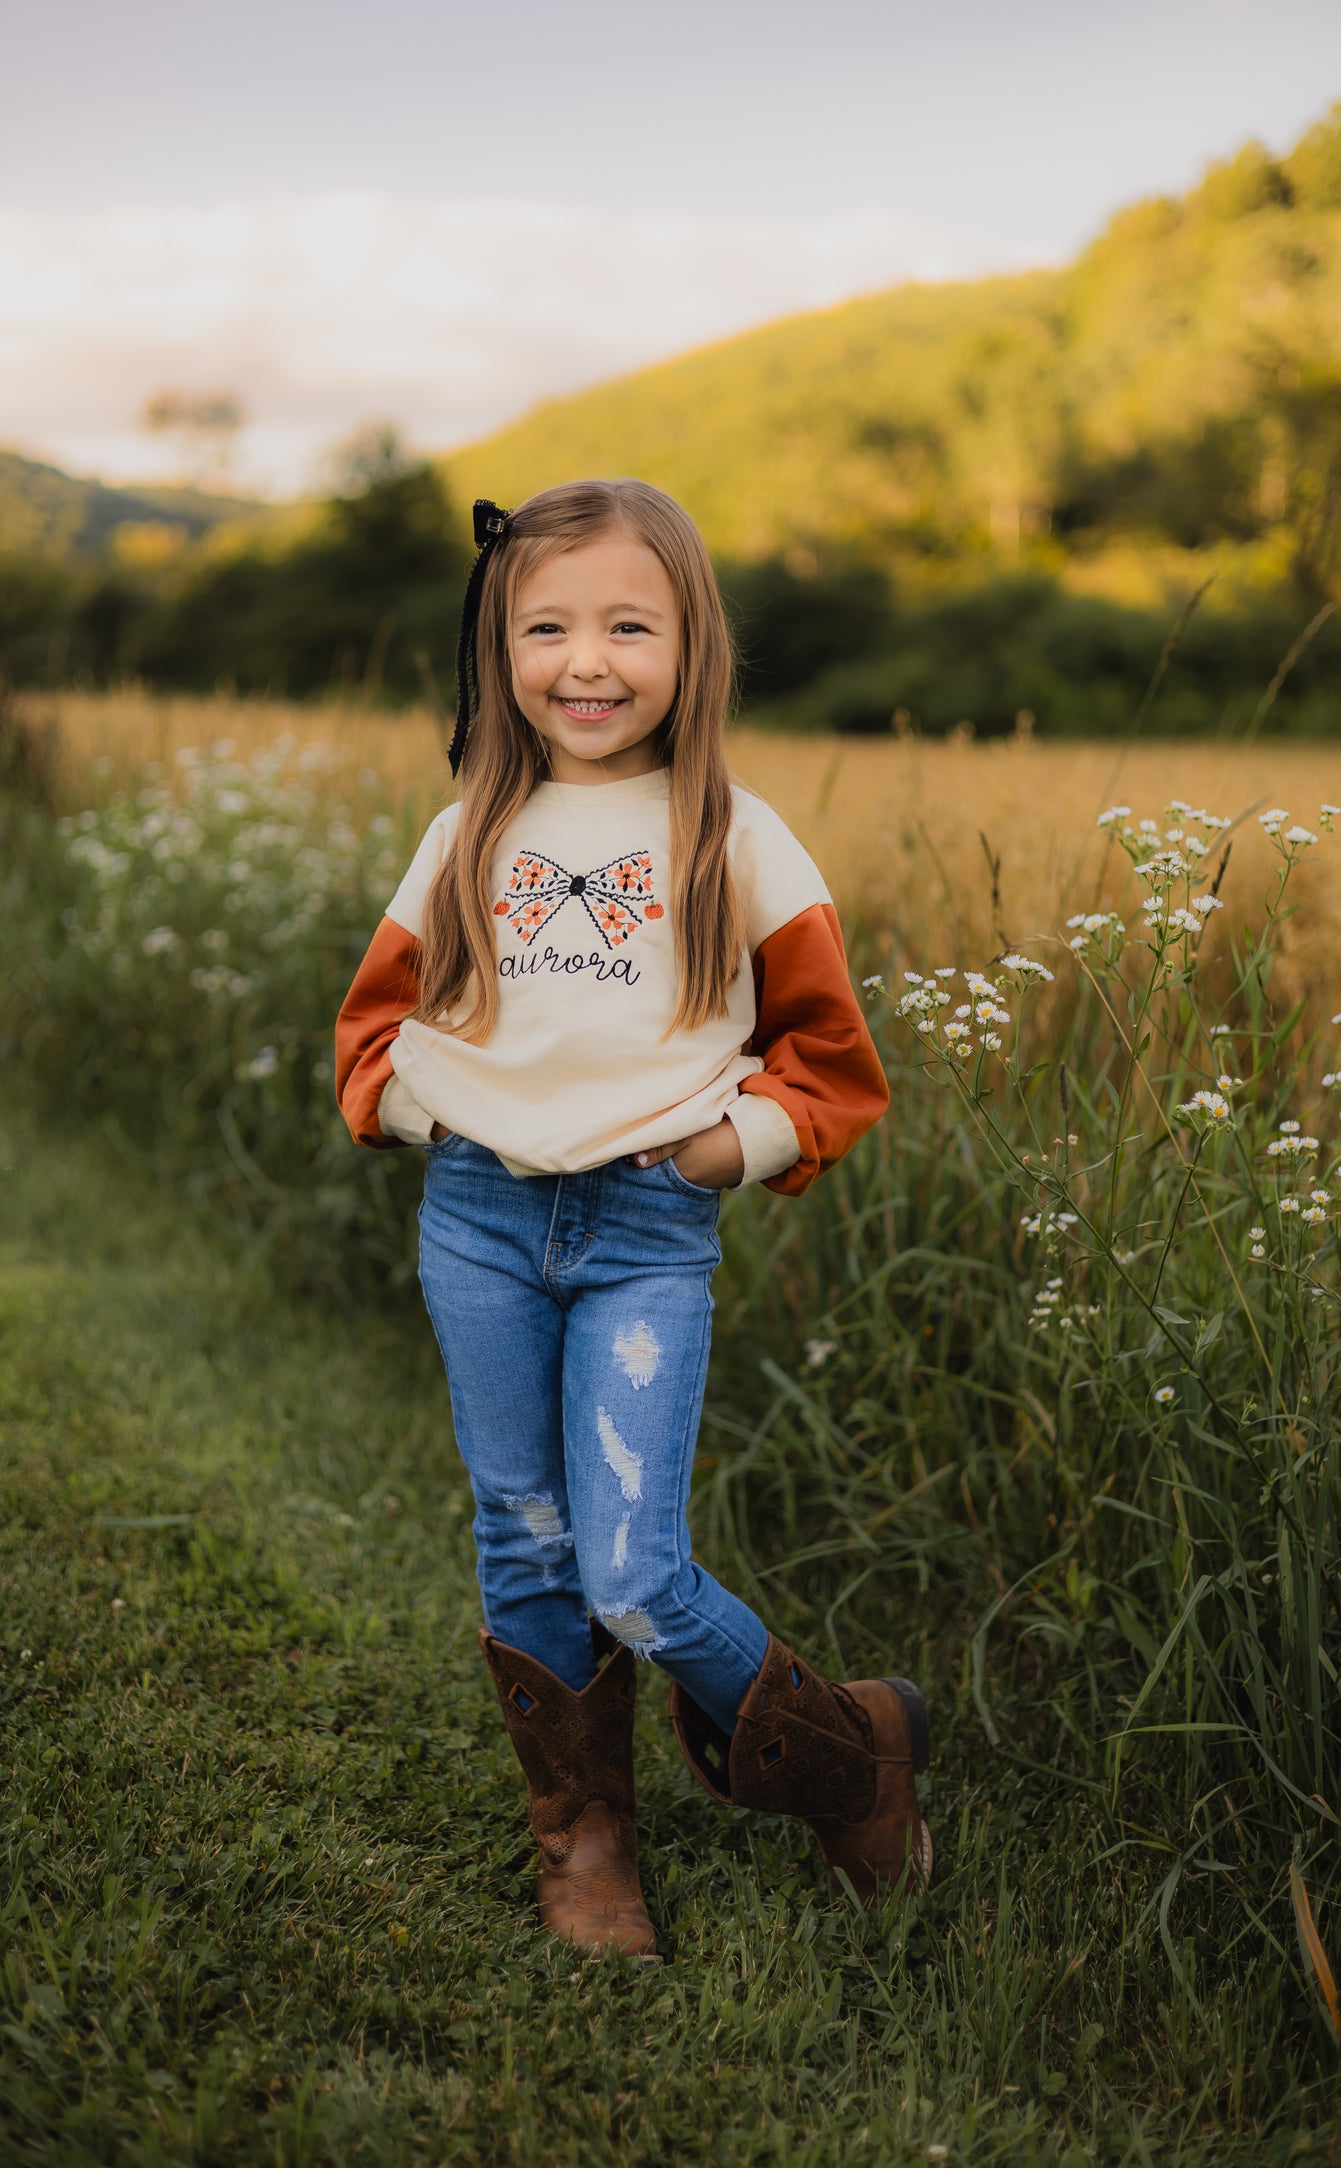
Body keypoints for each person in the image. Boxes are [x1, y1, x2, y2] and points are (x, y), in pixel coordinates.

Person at [335, 480, 932, 1960]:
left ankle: (850, 1762)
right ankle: (585, 1839)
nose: (584, 662)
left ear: (690, 645)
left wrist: (727, 1148)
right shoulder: (467, 830)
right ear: (498, 644)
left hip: (644, 1232)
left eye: (626, 626)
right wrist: (429, 1110)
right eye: (544, 626)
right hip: (476, 1218)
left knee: (630, 1566)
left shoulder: (733, 836)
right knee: (522, 1541)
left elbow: (833, 1065)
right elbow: (371, 1032)